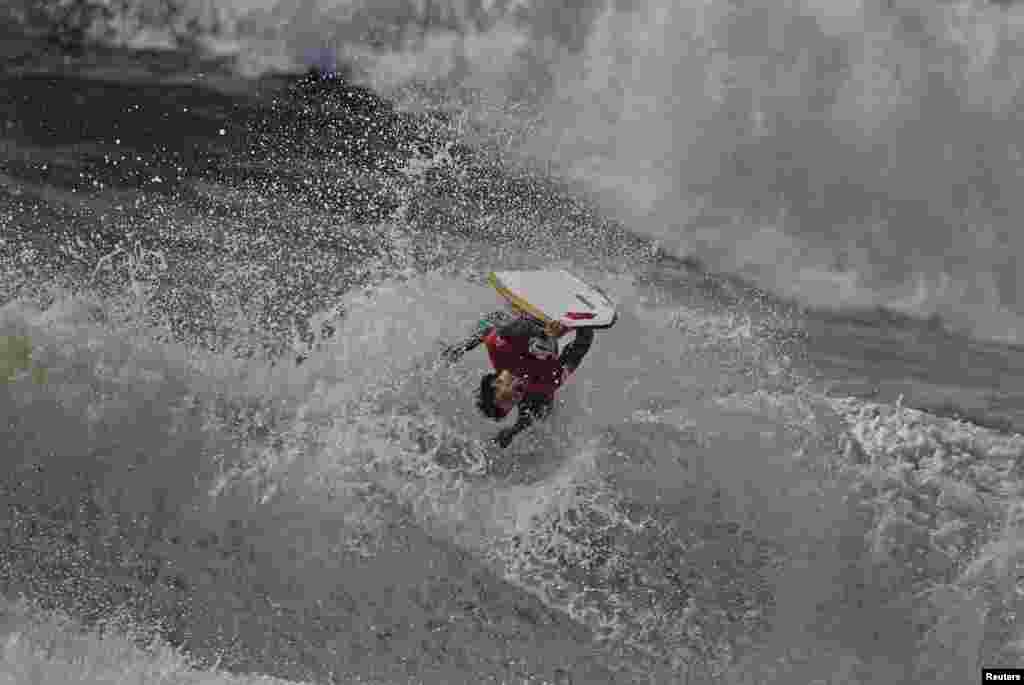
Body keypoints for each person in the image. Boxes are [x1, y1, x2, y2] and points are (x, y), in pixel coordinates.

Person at [441, 309, 595, 448]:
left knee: (499, 325)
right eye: (513, 402)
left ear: (497, 382)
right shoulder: (546, 382)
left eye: (506, 397)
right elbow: (580, 347)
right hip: (543, 367)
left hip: (523, 319)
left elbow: (496, 321)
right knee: (540, 410)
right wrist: (584, 320)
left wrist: (463, 347)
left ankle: (513, 430)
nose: (516, 397)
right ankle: (513, 431)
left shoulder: (499, 348)